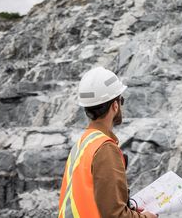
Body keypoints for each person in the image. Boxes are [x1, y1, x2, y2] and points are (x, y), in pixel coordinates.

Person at [58, 67, 158, 218]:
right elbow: (115, 215)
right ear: (115, 106)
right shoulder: (105, 149)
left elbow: (94, 201)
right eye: (121, 100)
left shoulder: (82, 145)